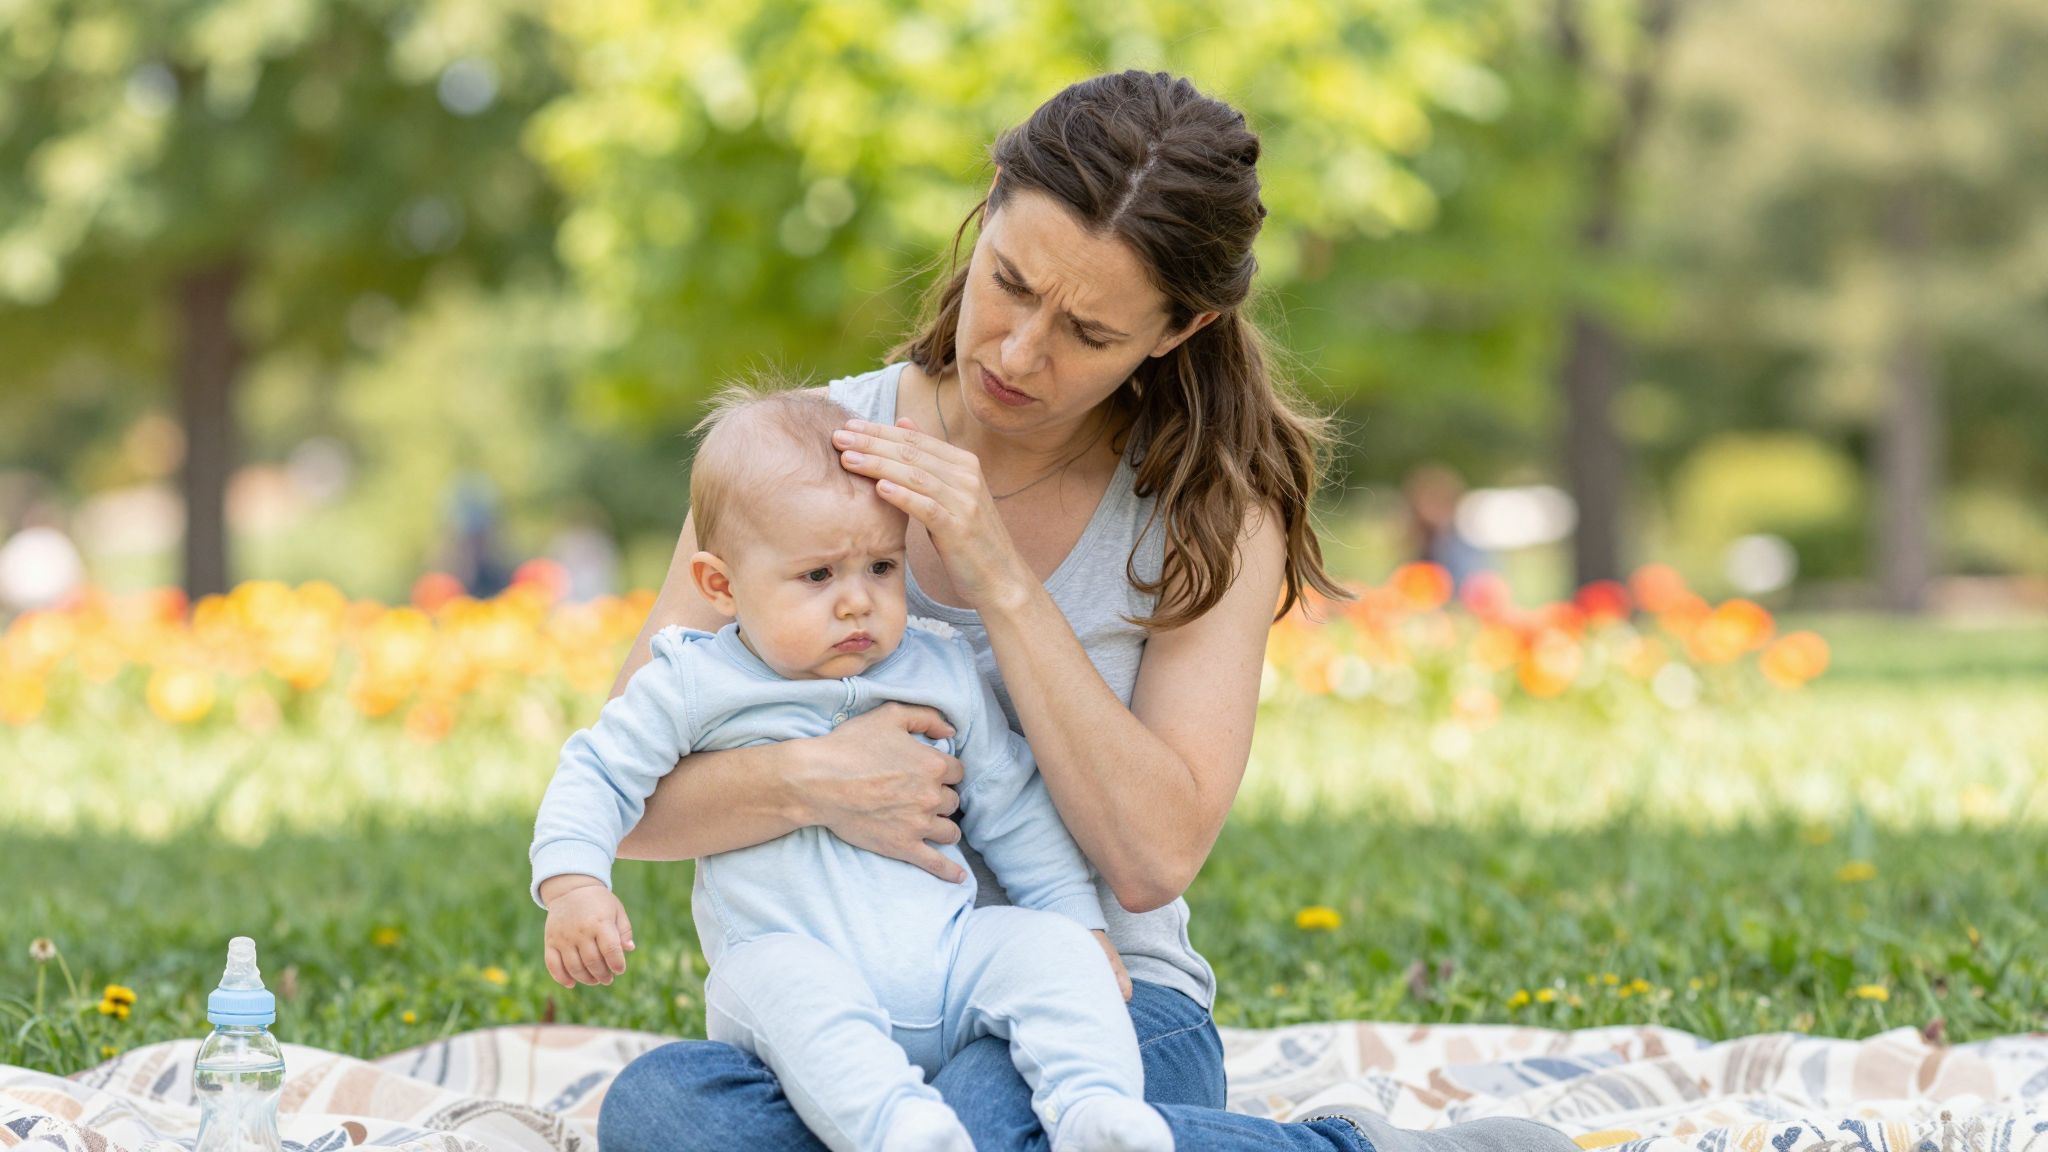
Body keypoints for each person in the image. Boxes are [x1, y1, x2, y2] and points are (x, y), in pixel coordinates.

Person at [597, 70, 1581, 1152]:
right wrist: (813, 783)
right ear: (984, 218)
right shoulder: (792, 461)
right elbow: (630, 796)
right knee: (661, 1113)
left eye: (1088, 332)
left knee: (976, 1125)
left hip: (1101, 1006)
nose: (1019, 353)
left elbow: (1151, 859)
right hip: (839, 1017)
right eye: (1008, 282)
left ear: (1175, 329)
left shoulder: (1210, 512)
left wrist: (1000, 580)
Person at [532, 386, 1169, 1152]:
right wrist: (573, 884)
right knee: (721, 1047)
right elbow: (597, 773)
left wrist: (1078, 922)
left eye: (880, 566)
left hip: (946, 958)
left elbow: (1012, 803)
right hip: (790, 964)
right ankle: (900, 1130)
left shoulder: (935, 668)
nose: (857, 604)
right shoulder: (694, 680)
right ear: (721, 586)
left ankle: (1096, 1113)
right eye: (817, 577)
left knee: (1052, 953)